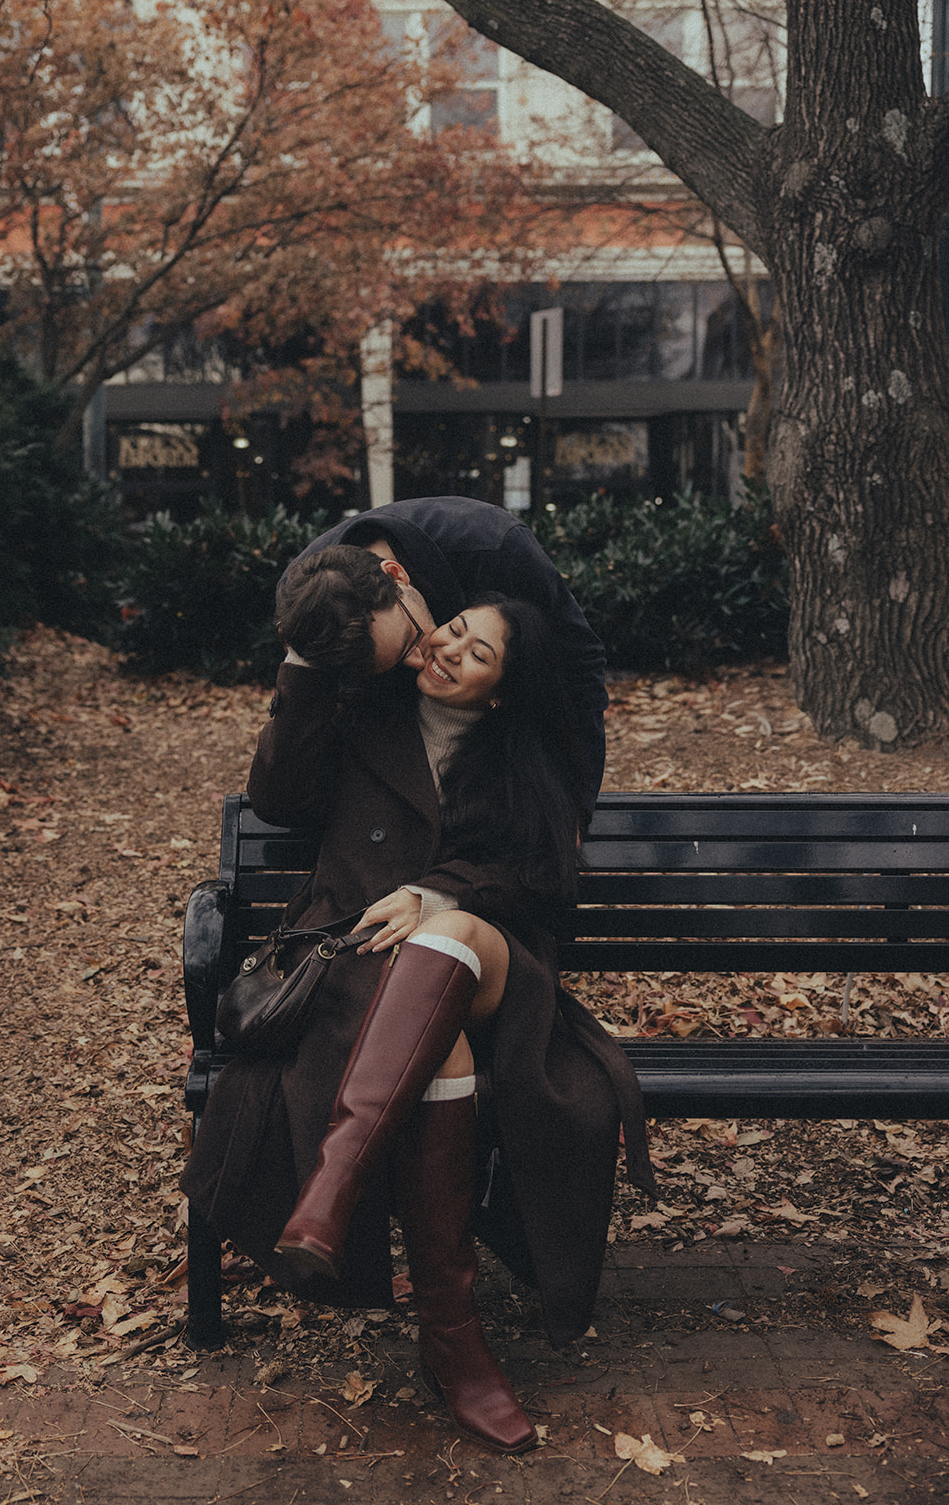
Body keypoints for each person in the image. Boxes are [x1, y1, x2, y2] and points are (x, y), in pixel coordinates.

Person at [180, 582, 654, 1455]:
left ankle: (328, 1192)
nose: (448, 653)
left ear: (500, 689)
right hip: (364, 967)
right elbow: (279, 797)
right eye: (453, 633)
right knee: (439, 1059)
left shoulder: (525, 752)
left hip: (493, 962)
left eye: (476, 656)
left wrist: (435, 891)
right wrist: (304, 660)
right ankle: (452, 1335)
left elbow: (540, 876)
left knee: (449, 935)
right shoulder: (362, 708)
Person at [280, 496, 609, 812]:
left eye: (411, 641)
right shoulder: (303, 600)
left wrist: (576, 805)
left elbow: (578, 661)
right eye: (390, 663)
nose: (418, 662)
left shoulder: (496, 547)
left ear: (396, 576)